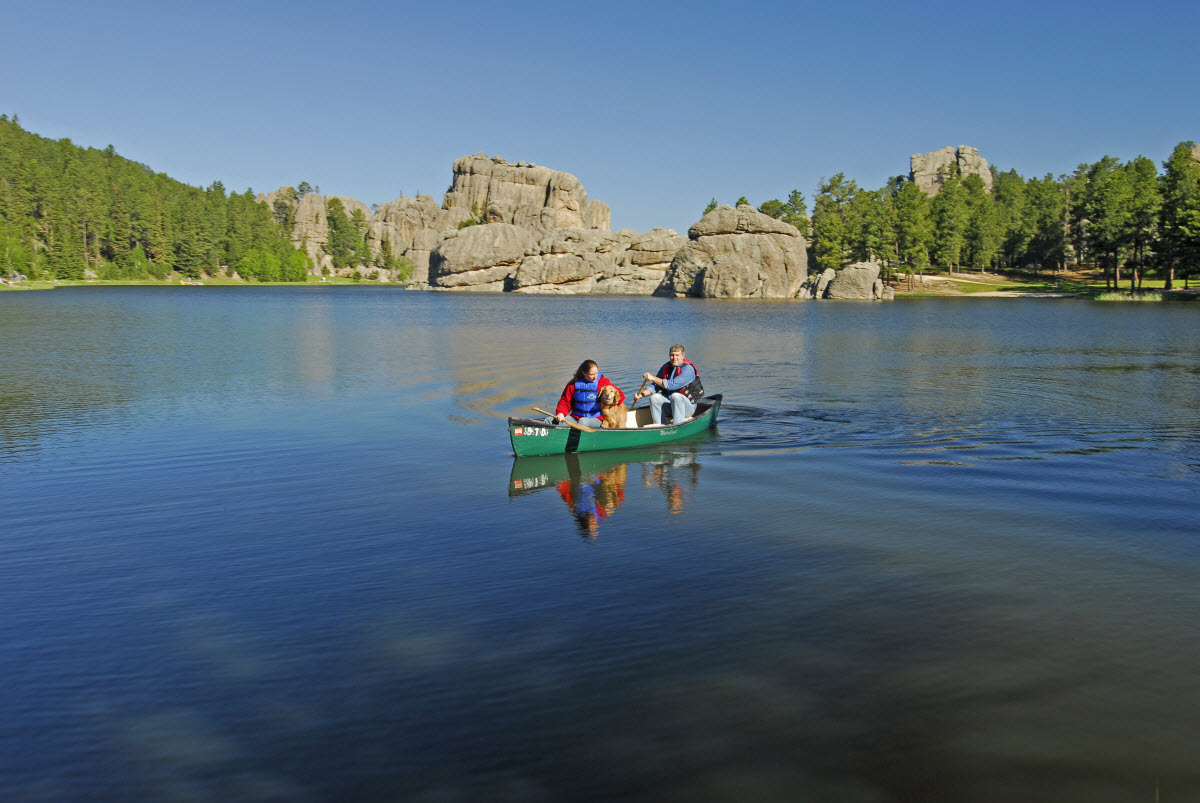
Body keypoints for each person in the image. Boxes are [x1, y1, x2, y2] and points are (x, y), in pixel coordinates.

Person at [633, 344, 702, 425]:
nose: (674, 358)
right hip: (670, 405)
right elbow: (656, 385)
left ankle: (677, 426)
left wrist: (653, 378)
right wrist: (641, 394)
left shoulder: (688, 369)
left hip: (687, 408)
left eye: (677, 355)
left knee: (675, 396)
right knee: (654, 398)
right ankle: (658, 426)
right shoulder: (666, 367)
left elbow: (672, 385)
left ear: (683, 356)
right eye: (672, 355)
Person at [553, 359, 625, 428]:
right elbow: (565, 401)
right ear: (584, 372)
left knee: (583, 422)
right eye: (592, 374)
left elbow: (620, 395)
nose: (595, 377)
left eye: (596, 373)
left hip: (597, 418)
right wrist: (561, 413)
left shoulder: (602, 382)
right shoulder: (573, 384)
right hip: (576, 418)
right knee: (550, 420)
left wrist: (611, 403)